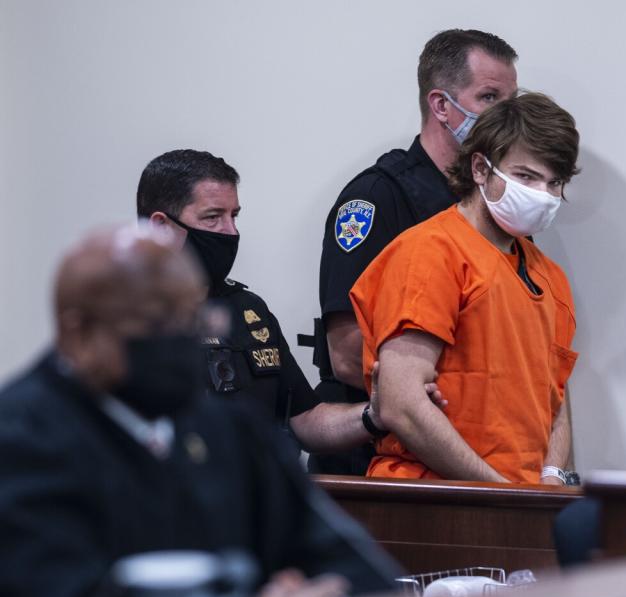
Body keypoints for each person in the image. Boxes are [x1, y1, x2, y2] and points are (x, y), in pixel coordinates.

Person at [0, 226, 401, 597]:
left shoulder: (230, 430)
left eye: (193, 320)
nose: (180, 341)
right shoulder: (21, 440)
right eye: (156, 324)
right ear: (79, 333)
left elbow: (355, 567)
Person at [307, 29, 519, 474]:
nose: (508, 116)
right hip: (378, 459)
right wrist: (473, 386)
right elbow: (347, 354)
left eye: (512, 100)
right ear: (441, 105)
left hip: (472, 449)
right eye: (490, 98)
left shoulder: (498, 207)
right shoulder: (377, 198)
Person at [137, 150, 443, 454]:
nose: (231, 232)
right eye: (213, 217)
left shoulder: (248, 310)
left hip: (257, 495)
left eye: (235, 216)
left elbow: (306, 419)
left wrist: (375, 414)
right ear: (161, 226)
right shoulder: (120, 319)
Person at [350, 92, 580, 485]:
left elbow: (554, 398)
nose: (542, 194)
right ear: (479, 169)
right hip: (435, 499)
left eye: (554, 182)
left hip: (521, 505)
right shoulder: (430, 252)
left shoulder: (549, 276)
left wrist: (552, 479)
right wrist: (499, 492)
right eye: (526, 176)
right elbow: (402, 403)